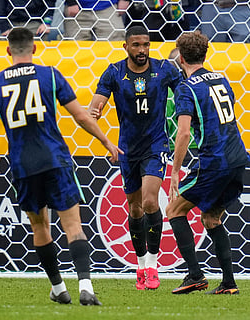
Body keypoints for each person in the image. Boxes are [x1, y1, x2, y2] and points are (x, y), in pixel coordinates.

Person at [0, 27, 122, 305]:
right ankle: (86, 288)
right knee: (73, 225)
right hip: (55, 159)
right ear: (35, 49)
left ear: (8, 51)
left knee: (41, 228)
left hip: (23, 164)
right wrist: (106, 142)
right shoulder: (50, 75)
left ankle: (58, 288)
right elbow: (80, 116)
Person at [89, 26, 182, 290]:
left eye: (146, 45)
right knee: (135, 207)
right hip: (127, 148)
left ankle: (153, 266)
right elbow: (94, 108)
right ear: (126, 47)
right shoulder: (114, 72)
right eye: (136, 45)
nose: (142, 50)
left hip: (155, 145)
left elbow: (185, 93)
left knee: (152, 200)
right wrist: (97, 120)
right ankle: (140, 265)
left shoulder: (164, 69)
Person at [166, 31, 250, 294]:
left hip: (215, 161)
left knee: (174, 211)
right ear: (205, 53)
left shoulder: (186, 88)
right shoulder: (222, 79)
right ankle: (229, 283)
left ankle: (194, 275)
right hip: (238, 159)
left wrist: (175, 172)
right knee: (211, 218)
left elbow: (183, 133)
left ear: (180, 57)